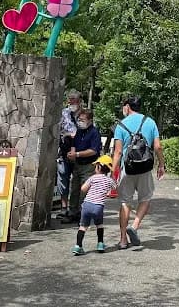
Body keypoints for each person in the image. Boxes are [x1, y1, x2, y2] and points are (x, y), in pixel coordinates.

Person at [112, 96, 165, 249]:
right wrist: (161, 164)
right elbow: (158, 147)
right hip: (145, 168)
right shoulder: (150, 122)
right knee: (146, 198)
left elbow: (118, 152)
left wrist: (112, 172)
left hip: (127, 169)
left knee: (125, 202)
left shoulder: (121, 125)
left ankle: (122, 240)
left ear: (127, 107)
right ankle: (134, 226)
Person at [60, 108, 102, 223]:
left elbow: (93, 150)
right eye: (79, 119)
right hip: (77, 164)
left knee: (85, 191)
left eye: (82, 120)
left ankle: (84, 215)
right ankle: (73, 212)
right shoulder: (79, 131)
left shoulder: (94, 133)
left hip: (89, 165)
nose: (80, 122)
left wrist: (77, 154)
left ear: (90, 120)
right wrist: (72, 153)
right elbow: (74, 144)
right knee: (74, 189)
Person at [71, 155, 116, 255]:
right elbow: (115, 188)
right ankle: (100, 244)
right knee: (99, 225)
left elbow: (83, 189)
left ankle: (78, 246)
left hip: (87, 205)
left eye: (96, 166)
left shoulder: (92, 178)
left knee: (83, 226)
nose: (95, 167)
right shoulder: (109, 180)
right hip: (98, 206)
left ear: (99, 167)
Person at [56, 89, 82, 221]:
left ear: (79, 101)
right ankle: (63, 208)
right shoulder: (63, 113)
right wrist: (68, 134)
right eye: (70, 100)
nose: (71, 102)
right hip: (64, 151)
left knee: (77, 181)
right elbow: (60, 130)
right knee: (63, 179)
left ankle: (75, 209)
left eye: (74, 100)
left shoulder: (84, 114)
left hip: (79, 153)